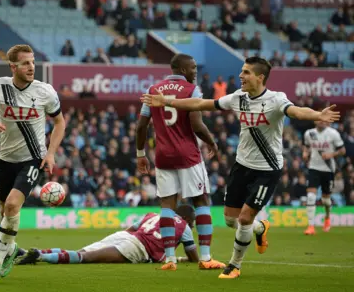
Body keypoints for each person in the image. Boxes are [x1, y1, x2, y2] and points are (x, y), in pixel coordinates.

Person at [142, 56, 340, 279]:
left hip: (267, 169)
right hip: (241, 166)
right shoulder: (238, 98)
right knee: (230, 220)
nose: (240, 76)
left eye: (246, 72)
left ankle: (234, 265)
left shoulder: (276, 99)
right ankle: (259, 228)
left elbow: (296, 111)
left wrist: (317, 114)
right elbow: (200, 104)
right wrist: (167, 102)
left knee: (244, 218)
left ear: (260, 77)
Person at [0, 44, 66, 283]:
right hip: (6, 159)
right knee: (4, 213)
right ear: (13, 66)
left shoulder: (45, 92)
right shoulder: (0, 87)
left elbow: (60, 123)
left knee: (13, 205)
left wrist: (51, 154)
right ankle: (11, 249)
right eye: (25, 63)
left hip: (33, 159)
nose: (31, 67)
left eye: (32, 62)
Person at [136, 53, 225, 271]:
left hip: (163, 155)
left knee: (167, 205)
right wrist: (212, 142)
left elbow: (141, 126)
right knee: (201, 201)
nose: (196, 71)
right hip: (188, 154)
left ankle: (169, 260)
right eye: (193, 68)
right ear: (183, 70)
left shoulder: (152, 90)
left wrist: (140, 153)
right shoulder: (191, 90)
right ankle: (205, 258)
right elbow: (196, 125)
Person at [16, 205, 212, 266]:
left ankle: (32, 252)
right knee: (86, 258)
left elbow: (131, 229)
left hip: (124, 236)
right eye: (193, 221)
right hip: (137, 248)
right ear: (187, 217)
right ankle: (41, 256)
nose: (193, 225)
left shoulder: (153, 214)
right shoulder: (184, 225)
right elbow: (195, 258)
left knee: (80, 252)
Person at [303, 121, 346, 235]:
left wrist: (331, 155)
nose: (321, 122)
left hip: (328, 169)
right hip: (313, 167)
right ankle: (311, 226)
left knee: (325, 200)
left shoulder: (333, 133)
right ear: (315, 120)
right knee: (311, 196)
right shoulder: (309, 133)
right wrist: (305, 153)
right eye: (319, 119)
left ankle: (327, 218)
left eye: (323, 120)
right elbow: (307, 146)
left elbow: (342, 150)